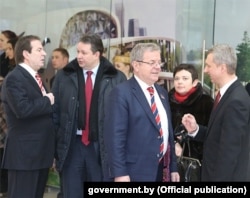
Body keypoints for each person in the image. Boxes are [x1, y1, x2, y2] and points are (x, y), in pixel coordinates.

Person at [52, 33, 126, 198]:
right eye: (78, 51)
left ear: (97, 54)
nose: (79, 56)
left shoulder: (116, 78)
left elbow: (122, 120)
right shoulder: (64, 77)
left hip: (101, 149)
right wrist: (55, 149)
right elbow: (55, 114)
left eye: (84, 52)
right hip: (72, 147)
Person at [103, 42, 179, 182]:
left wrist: (173, 167)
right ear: (136, 65)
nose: (157, 67)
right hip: (132, 172)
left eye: (158, 62)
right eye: (152, 62)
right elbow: (115, 137)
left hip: (158, 170)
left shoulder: (162, 93)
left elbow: (168, 133)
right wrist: (120, 173)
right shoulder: (121, 93)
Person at [182, 43, 250, 181]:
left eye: (209, 66)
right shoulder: (228, 95)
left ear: (222, 68)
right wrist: (196, 130)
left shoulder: (236, 101)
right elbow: (219, 137)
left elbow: (229, 153)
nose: (206, 70)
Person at [1, 35, 55, 198]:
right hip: (25, 157)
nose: (44, 54)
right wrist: (47, 100)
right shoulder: (15, 78)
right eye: (39, 50)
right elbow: (23, 109)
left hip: (39, 154)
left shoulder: (36, 77)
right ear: (26, 54)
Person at [168, 63, 214, 181]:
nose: (179, 82)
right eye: (177, 78)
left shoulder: (206, 102)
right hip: (169, 162)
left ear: (194, 82)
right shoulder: (166, 100)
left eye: (185, 78)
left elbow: (212, 134)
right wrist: (173, 143)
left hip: (197, 164)